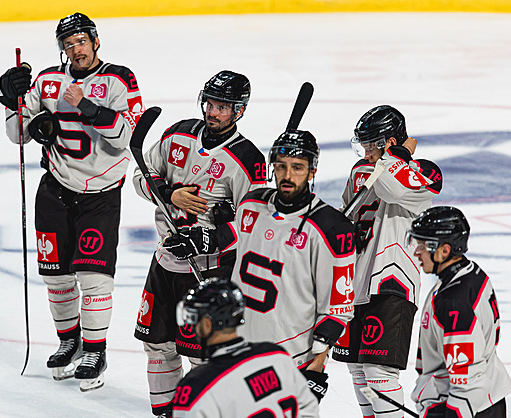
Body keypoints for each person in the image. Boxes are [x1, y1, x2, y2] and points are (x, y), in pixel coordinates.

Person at [0, 12, 144, 391]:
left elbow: (127, 136)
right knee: (57, 277)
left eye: (81, 40)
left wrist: (88, 108)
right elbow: (18, 134)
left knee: (94, 278)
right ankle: (70, 341)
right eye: (68, 43)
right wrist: (11, 102)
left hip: (101, 194)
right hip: (55, 189)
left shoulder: (119, 79)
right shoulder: (47, 81)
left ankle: (95, 350)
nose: (75, 49)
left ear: (95, 41)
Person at [164, 129, 357, 404]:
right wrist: (200, 239)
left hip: (291, 358)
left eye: (298, 168)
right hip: (238, 351)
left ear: (312, 171)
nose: (288, 176)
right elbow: (232, 238)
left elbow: (338, 309)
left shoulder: (331, 228)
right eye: (281, 166)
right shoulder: (251, 204)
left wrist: (316, 366)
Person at [132, 70, 266, 417]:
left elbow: (255, 222)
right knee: (156, 345)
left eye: (223, 106)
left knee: (201, 353)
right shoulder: (178, 133)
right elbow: (141, 176)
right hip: (164, 260)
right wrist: (167, 192)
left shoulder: (247, 159)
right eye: (210, 102)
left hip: (209, 270)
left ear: (239, 111)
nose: (213, 111)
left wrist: (211, 237)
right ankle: (164, 414)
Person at [331, 105, 443, 417]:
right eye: (363, 146)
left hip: (392, 282)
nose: (365, 153)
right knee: (357, 369)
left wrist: (398, 156)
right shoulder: (360, 171)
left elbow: (391, 189)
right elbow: (346, 213)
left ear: (389, 144)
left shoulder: (424, 173)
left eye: (371, 146)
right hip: (354, 283)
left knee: (380, 374)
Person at [406, 206, 511, 417]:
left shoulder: (454, 300)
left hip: (465, 407)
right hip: (482, 400)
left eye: (422, 245)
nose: (417, 252)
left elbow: (467, 378)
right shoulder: (468, 273)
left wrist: (454, 413)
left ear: (445, 250)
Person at [172, 277, 319, 417]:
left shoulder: (196, 387)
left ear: (206, 324)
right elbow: (308, 409)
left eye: (193, 319)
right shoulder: (277, 356)